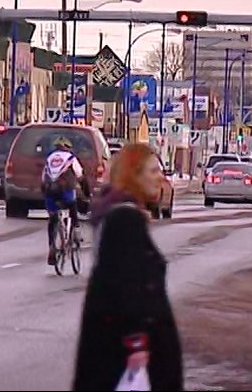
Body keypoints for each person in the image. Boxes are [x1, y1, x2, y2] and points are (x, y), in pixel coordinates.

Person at [73, 143, 183, 391]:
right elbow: (127, 287)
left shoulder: (116, 215)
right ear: (135, 175)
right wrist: (136, 343)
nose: (160, 178)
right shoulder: (125, 219)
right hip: (126, 361)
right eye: (153, 171)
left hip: (112, 355)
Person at [42, 136, 89, 266]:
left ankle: (52, 245)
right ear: (67, 147)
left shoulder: (49, 158)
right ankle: (77, 230)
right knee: (72, 204)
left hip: (50, 192)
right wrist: (86, 193)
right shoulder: (70, 158)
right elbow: (80, 176)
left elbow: (43, 178)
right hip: (65, 191)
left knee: (52, 219)